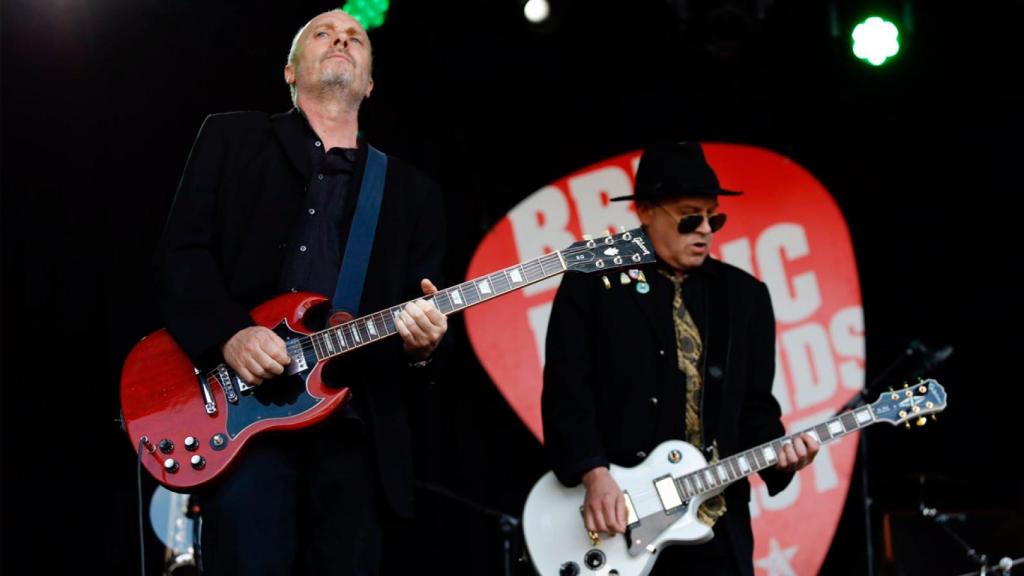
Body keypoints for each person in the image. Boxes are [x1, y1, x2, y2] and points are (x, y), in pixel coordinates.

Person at [154, 9, 447, 575]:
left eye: (355, 38)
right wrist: (229, 334)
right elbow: (179, 256)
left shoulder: (412, 192)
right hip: (243, 417)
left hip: (354, 430)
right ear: (289, 71)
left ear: (369, 83)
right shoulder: (231, 137)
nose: (341, 38)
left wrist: (425, 345)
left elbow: (424, 317)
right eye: (323, 33)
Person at [541, 141, 818, 575]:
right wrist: (593, 475)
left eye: (715, 217)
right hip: (619, 520)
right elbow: (566, 391)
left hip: (715, 522)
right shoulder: (591, 283)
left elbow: (755, 409)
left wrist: (785, 454)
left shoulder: (745, 297)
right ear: (646, 211)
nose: (705, 229)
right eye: (691, 216)